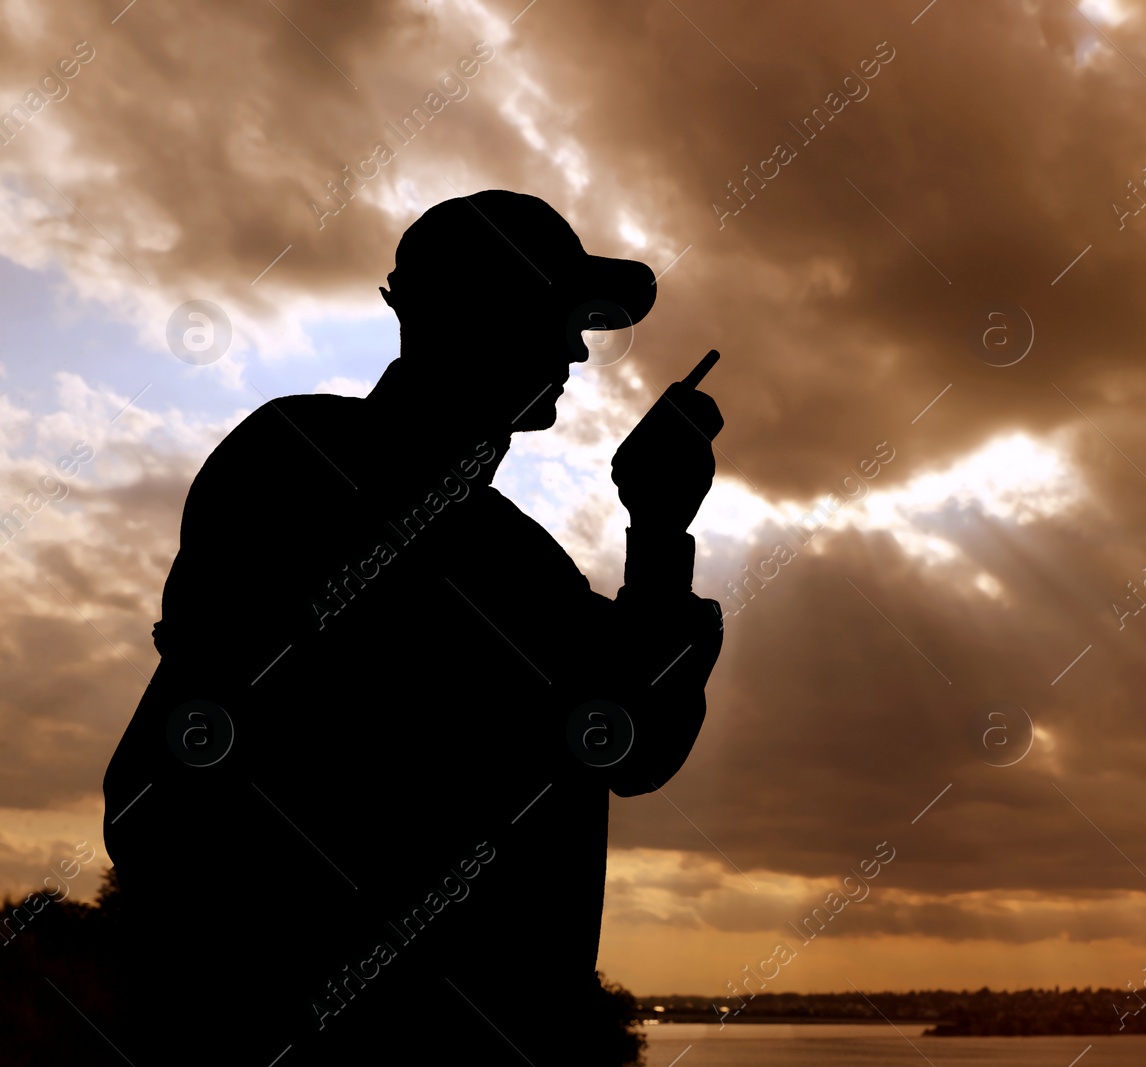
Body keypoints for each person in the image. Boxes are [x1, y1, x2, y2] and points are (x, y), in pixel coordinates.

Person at [101, 190, 725, 1064]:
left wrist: (659, 530)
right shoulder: (307, 464)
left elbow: (632, 740)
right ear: (479, 314)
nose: (575, 349)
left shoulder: (508, 554)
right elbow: (632, 738)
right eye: (556, 314)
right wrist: (659, 531)